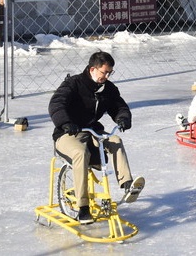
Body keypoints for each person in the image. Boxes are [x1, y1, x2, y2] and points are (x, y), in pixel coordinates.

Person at [48, 51, 144, 225]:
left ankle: (126, 184)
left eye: (109, 73)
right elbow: (56, 103)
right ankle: (83, 207)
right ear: (93, 69)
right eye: (104, 72)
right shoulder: (73, 84)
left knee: (115, 141)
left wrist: (123, 118)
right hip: (68, 133)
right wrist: (66, 122)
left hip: (92, 131)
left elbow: (119, 106)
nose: (107, 77)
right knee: (80, 153)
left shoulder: (108, 88)